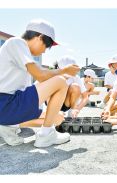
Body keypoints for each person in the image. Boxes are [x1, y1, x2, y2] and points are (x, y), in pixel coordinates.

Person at [0, 19, 80, 147]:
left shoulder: (22, 55)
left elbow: (35, 84)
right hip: (6, 104)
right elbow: (41, 76)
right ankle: (45, 135)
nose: (44, 51)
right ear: (39, 37)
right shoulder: (16, 42)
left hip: (8, 107)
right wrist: (64, 70)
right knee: (60, 82)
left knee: (58, 117)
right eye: (46, 46)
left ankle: (7, 126)